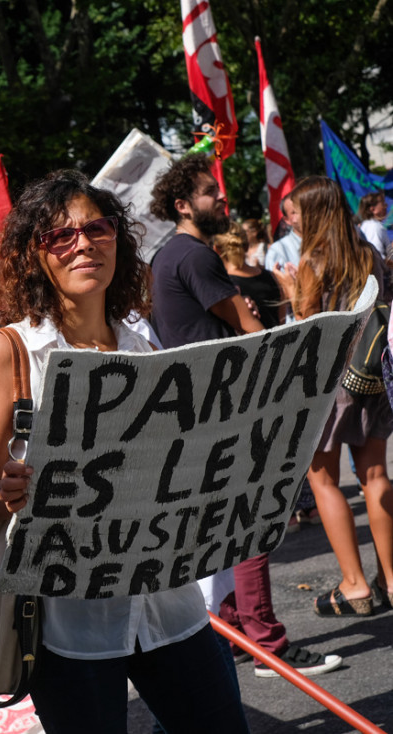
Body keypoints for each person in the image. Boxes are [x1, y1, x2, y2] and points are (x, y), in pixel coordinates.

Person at [0, 170, 248, 732]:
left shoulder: (144, 346)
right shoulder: (10, 352)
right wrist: (5, 492)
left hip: (170, 606)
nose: (83, 243)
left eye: (97, 227)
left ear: (119, 237)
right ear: (33, 256)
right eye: (59, 236)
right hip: (69, 627)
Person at [149, 155, 340, 678]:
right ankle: (267, 642)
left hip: (199, 406)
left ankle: (240, 634)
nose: (222, 198)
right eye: (211, 191)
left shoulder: (169, 257)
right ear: (183, 206)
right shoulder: (195, 257)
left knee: (229, 528)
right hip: (221, 406)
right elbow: (249, 327)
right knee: (249, 525)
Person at [276, 176, 393, 617]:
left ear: (315, 213)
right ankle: (392, 577)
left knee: (322, 478)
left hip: (329, 383)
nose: (292, 223)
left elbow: (309, 326)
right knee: (375, 475)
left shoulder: (313, 261)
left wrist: (291, 293)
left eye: (296, 214)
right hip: (372, 375)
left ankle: (355, 584)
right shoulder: (367, 254)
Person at [212, 230, 284, 329]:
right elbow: (282, 317)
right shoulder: (271, 275)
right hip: (281, 337)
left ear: (216, 250)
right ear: (246, 246)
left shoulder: (226, 285)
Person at [357, 191, 390, 260]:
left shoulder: (367, 225)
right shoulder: (374, 227)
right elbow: (377, 256)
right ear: (373, 209)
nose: (386, 206)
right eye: (383, 204)